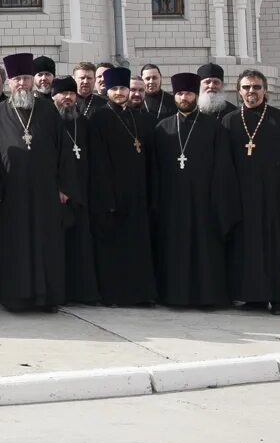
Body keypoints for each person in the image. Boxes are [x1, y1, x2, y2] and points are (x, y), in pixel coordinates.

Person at [0, 54, 75, 312]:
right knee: (16, 246)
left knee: (47, 244)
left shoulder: (48, 110)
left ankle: (48, 298)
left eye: (26, 78)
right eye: (17, 79)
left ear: (32, 81)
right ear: (9, 82)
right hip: (13, 194)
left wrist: (64, 187)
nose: (22, 83)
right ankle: (17, 298)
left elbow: (64, 150)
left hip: (46, 192)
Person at [221, 69, 280, 315]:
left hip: (273, 197)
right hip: (242, 197)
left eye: (256, 87)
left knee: (275, 247)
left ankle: (278, 298)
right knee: (247, 247)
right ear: (238, 91)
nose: (251, 91)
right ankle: (254, 297)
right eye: (246, 87)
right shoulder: (229, 121)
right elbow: (223, 164)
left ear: (265, 90)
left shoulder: (279, 119)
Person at [151, 72, 234, 309]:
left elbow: (223, 168)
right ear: (174, 96)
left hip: (204, 202)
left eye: (188, 93)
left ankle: (208, 297)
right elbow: (155, 169)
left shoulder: (214, 128)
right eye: (179, 93)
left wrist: (217, 201)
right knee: (174, 250)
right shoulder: (163, 128)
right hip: (172, 203)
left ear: (196, 96)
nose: (184, 97)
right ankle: (175, 297)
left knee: (205, 250)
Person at [88, 67, 158, 306]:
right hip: (113, 195)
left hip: (138, 193)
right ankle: (115, 295)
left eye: (123, 88)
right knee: (115, 247)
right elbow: (97, 162)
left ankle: (141, 294)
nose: (119, 93)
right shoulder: (98, 119)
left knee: (139, 245)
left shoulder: (139, 118)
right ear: (107, 91)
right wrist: (107, 197)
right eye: (115, 89)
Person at [51, 76, 98, 304]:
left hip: (82, 190)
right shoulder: (48, 122)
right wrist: (60, 187)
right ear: (54, 97)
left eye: (71, 93)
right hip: (59, 194)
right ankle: (62, 293)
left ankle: (83, 293)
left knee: (82, 245)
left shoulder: (83, 122)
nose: (68, 97)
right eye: (63, 94)